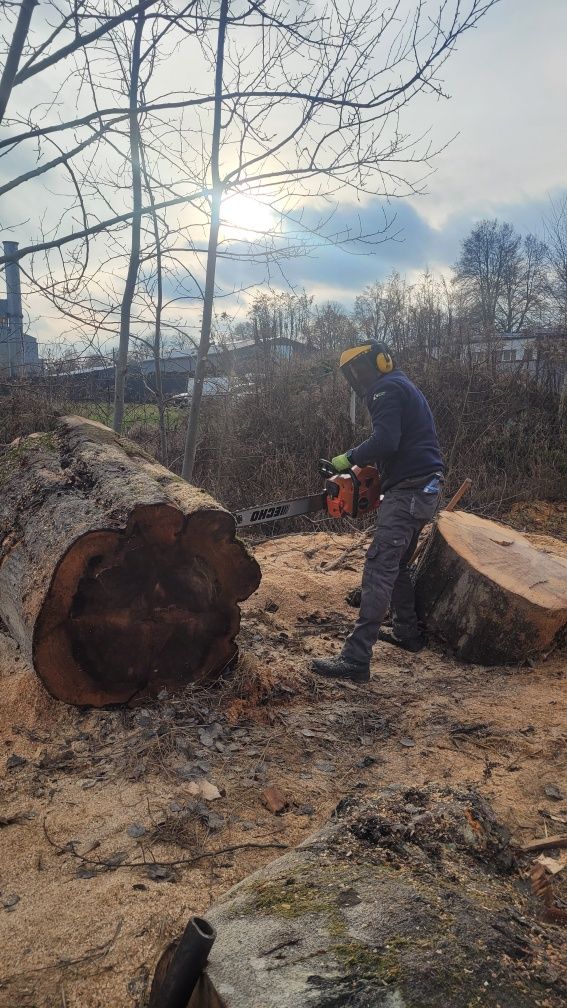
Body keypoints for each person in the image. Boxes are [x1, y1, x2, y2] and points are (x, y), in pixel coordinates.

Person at [312, 341, 444, 683]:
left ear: (379, 363)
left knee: (379, 566)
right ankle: (406, 633)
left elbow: (386, 441)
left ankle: (355, 659)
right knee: (397, 564)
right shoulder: (402, 384)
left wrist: (349, 457)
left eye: (360, 369)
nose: (359, 377)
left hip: (410, 489)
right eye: (353, 372)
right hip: (424, 486)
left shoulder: (385, 389)